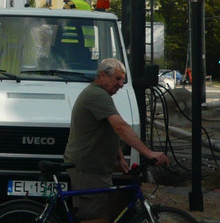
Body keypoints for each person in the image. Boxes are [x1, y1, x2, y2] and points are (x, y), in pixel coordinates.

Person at [64, 58, 169, 223]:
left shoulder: (99, 94)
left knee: (103, 213)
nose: (121, 84)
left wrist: (119, 156)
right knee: (96, 217)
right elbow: (120, 126)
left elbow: (107, 129)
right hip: (89, 167)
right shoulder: (97, 95)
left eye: (123, 80)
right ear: (102, 75)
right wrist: (148, 153)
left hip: (96, 166)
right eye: (118, 79)